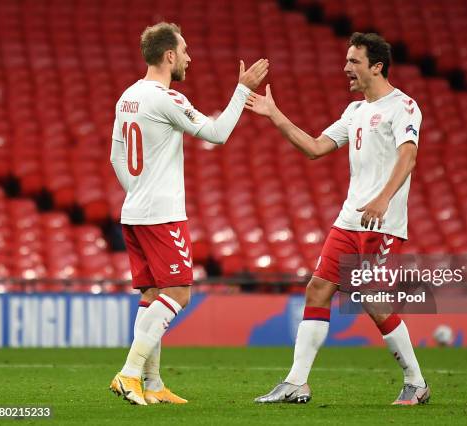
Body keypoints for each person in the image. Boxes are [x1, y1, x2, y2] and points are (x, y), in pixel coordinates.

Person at [246, 32, 429, 406]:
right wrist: (274, 114)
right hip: (349, 219)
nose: (346, 68)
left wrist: (381, 199)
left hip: (382, 221)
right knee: (317, 289)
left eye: (354, 61)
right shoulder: (355, 111)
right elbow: (315, 148)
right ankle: (297, 382)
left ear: (376, 66)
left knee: (372, 299)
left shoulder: (404, 107)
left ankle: (415, 381)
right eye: (346, 61)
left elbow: (408, 158)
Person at [109, 22, 268, 405]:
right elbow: (216, 133)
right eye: (184, 51)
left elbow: (116, 156)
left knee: (152, 294)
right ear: (169, 56)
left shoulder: (127, 96)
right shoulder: (168, 98)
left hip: (135, 211)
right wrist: (242, 89)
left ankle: (152, 383)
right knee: (179, 293)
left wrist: (139, 192)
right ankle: (129, 374)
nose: (189, 57)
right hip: (162, 213)